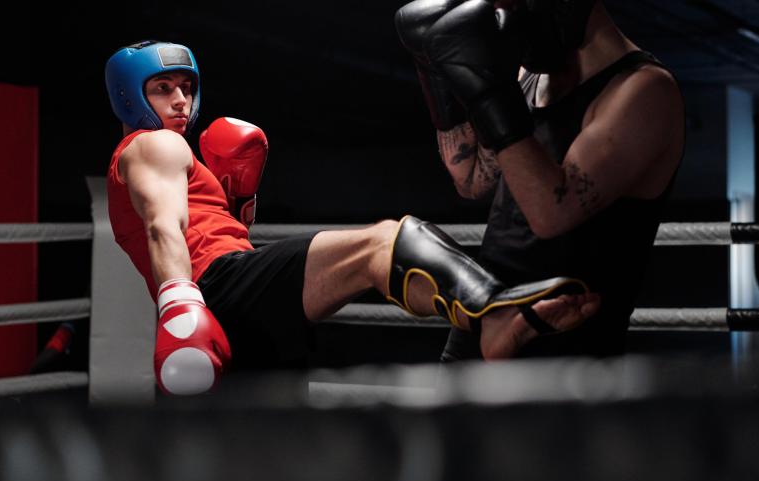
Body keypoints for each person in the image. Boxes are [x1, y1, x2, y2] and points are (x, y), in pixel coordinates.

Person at [103, 40, 601, 396]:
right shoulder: (155, 146)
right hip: (215, 288)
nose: (181, 100)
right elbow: (162, 228)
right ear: (129, 95)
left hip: (222, 307)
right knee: (385, 244)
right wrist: (180, 309)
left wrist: (236, 203)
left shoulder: (156, 158)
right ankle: (491, 314)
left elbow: (196, 228)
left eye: (186, 86)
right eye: (163, 88)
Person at [395, 0, 684, 359]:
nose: (507, 17)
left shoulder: (645, 91)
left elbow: (551, 213)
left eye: (512, 4)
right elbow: (471, 181)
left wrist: (491, 95)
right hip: (484, 328)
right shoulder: (530, 78)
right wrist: (434, 71)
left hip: (568, 352)